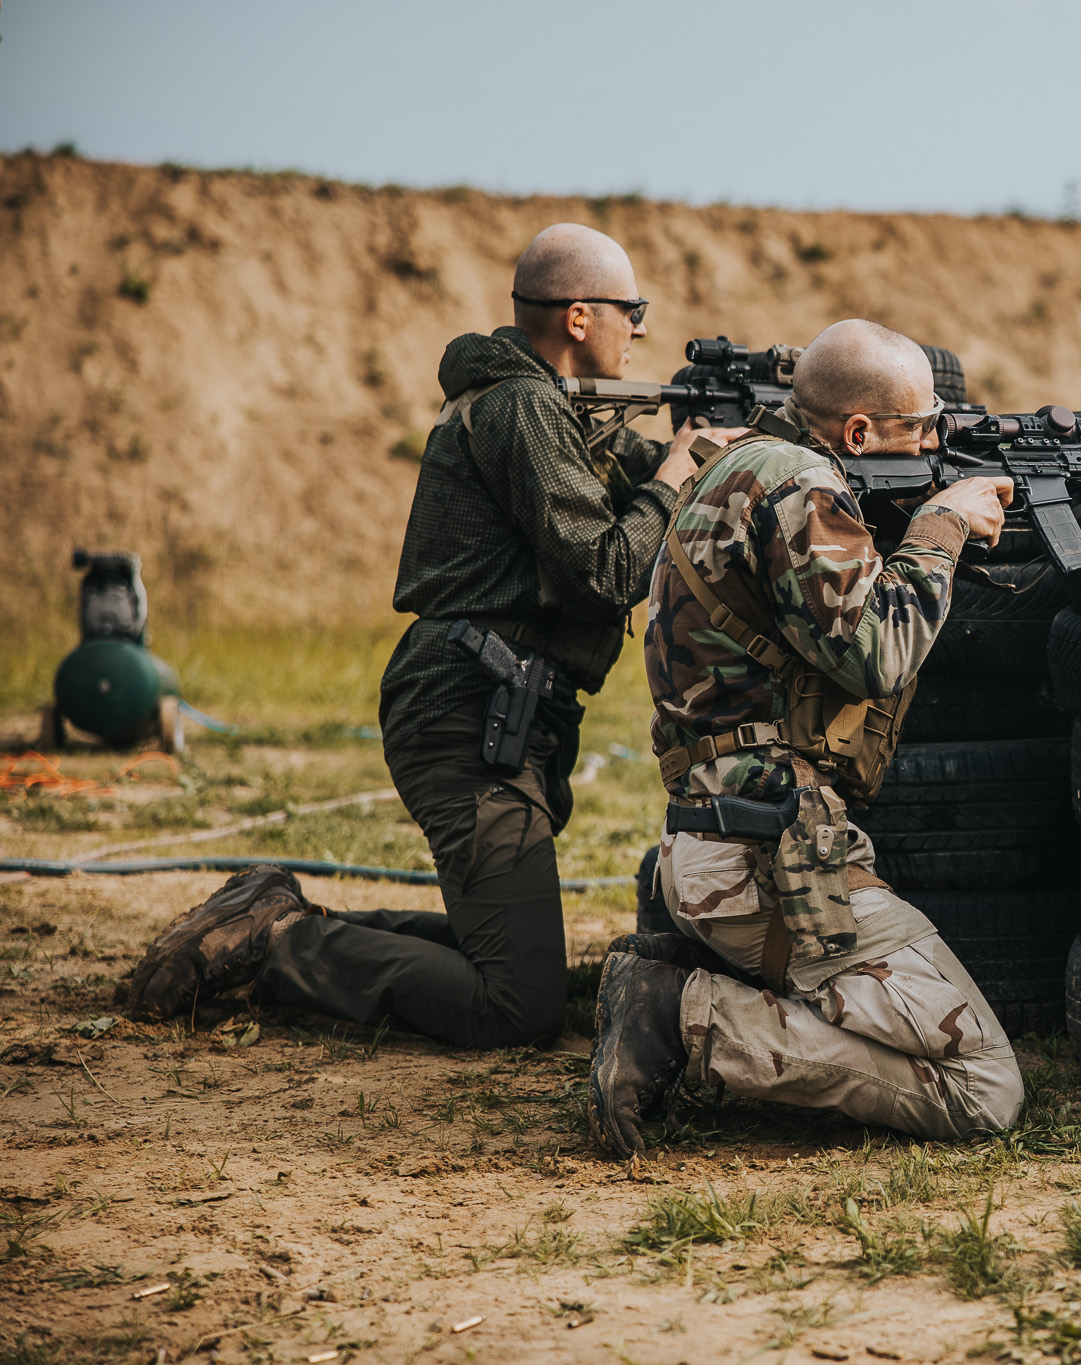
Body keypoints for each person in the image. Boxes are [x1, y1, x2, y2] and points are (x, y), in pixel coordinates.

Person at [129, 223, 746, 1048]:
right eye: (631, 309)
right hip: (467, 715)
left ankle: (277, 919)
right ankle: (276, 947)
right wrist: (676, 472)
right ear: (577, 317)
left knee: (523, 964)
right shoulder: (524, 408)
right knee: (516, 1007)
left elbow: (637, 468)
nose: (640, 328)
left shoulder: (545, 410)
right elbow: (604, 571)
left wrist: (729, 452)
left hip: (488, 709)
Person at [585, 319, 1024, 1155]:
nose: (937, 440)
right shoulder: (803, 487)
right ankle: (687, 1021)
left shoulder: (744, 464)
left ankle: (683, 988)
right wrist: (940, 527)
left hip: (712, 845)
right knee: (985, 1084)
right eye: (922, 426)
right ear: (858, 432)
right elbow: (879, 653)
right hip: (770, 871)